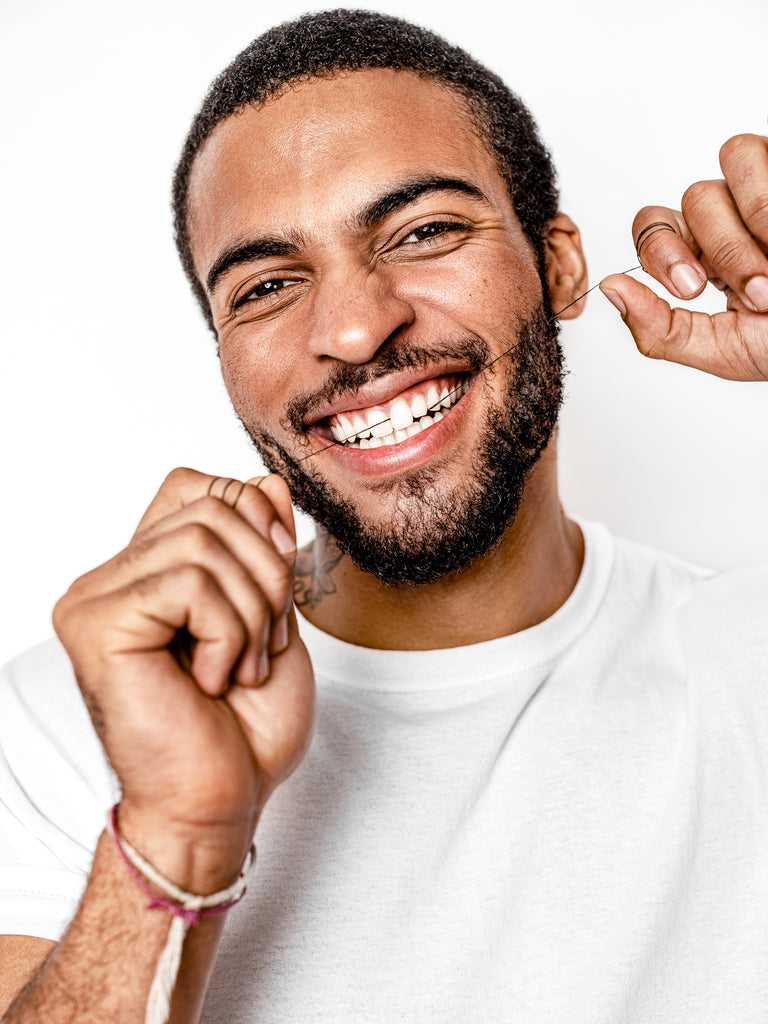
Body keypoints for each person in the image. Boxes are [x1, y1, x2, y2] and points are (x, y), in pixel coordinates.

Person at [1, 8, 767, 1022]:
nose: (356, 327)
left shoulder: (745, 657)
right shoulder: (85, 710)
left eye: (425, 231)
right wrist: (178, 832)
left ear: (561, 266)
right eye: (269, 284)